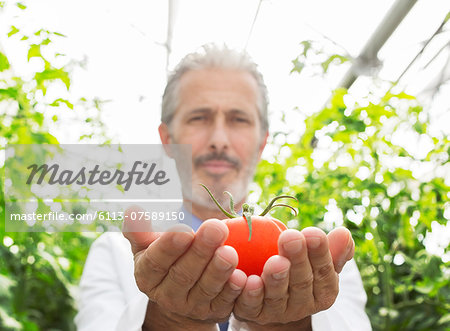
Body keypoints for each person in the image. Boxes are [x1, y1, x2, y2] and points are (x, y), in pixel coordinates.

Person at [75, 44, 372, 331]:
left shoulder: (319, 263)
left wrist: (295, 325)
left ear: (262, 142)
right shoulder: (114, 253)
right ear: (167, 139)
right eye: (199, 118)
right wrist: (167, 322)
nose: (219, 138)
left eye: (238, 119)